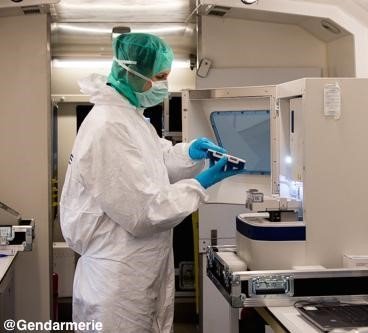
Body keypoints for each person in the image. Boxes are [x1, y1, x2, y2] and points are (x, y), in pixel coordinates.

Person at [60, 33, 241, 332]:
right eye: (159, 77)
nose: (163, 86)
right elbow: (144, 213)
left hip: (136, 271)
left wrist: (189, 151)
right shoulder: (108, 126)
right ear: (131, 73)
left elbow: (157, 164)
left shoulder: (130, 118)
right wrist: (199, 184)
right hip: (118, 283)